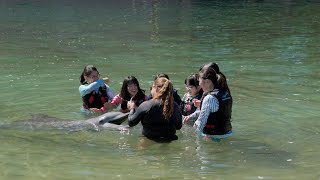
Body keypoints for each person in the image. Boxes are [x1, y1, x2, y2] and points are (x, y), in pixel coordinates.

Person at [183, 66, 232, 139]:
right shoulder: (225, 93)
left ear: (208, 82)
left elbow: (200, 123)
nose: (199, 84)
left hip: (213, 137)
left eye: (199, 81)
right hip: (228, 133)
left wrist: (195, 143)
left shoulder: (209, 98)